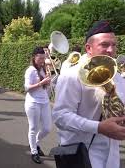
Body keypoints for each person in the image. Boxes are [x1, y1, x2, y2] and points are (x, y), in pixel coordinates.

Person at [52, 20, 125, 168]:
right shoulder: (71, 76)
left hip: (112, 156)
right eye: (104, 45)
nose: (111, 50)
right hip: (82, 154)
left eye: (114, 45)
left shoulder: (117, 75)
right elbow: (60, 116)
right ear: (89, 48)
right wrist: (98, 127)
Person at [24, 47, 52, 164]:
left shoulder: (44, 69)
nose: (42, 61)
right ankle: (34, 151)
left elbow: (47, 86)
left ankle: (34, 143)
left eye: (43, 58)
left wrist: (50, 82)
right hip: (33, 102)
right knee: (33, 128)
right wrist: (41, 83)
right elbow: (27, 88)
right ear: (34, 57)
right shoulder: (30, 70)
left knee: (47, 128)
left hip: (44, 101)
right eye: (40, 58)